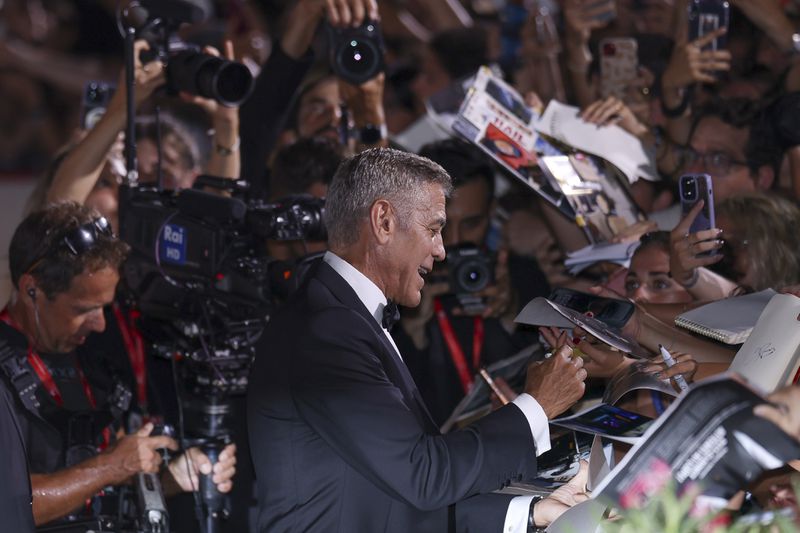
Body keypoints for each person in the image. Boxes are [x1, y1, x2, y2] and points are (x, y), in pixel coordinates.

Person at [247, 148, 589, 532]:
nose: (442, 250)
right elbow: (424, 475)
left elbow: (394, 499)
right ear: (384, 221)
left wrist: (532, 511)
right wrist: (536, 406)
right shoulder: (327, 328)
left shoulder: (341, 314)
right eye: (433, 229)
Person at [0, 202, 236, 527]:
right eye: (84, 309)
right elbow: (9, 503)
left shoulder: (93, 362)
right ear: (31, 290)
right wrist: (109, 467)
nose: (100, 324)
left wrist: (173, 478)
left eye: (105, 308)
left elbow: (110, 484)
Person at [393, 139, 551, 425]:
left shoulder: (521, 275)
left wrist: (513, 314)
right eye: (438, 226)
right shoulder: (392, 292)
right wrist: (411, 332)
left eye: (471, 223)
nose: (452, 242)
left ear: (492, 212)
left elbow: (550, 369)